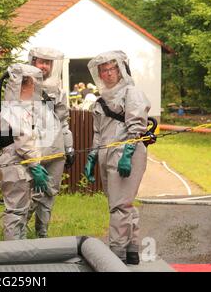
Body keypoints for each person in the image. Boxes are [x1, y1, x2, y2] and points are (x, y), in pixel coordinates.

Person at [84, 50, 150, 265]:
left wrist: (128, 154)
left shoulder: (132, 93)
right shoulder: (101, 100)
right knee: (123, 204)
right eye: (104, 70)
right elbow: (98, 132)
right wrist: (93, 155)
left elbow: (137, 126)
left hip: (126, 153)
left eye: (112, 68)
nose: (108, 73)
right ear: (99, 74)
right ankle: (131, 250)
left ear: (121, 70)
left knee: (119, 206)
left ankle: (116, 257)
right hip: (107, 153)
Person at [0, 63, 61, 240]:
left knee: (21, 213)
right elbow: (24, 141)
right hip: (15, 167)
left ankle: (20, 253)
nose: (35, 88)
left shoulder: (18, 108)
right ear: (23, 85)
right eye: (32, 83)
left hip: (19, 166)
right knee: (16, 213)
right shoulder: (15, 110)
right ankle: (12, 258)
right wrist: (35, 165)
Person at [27, 47, 72, 238]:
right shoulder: (22, 87)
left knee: (49, 193)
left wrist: (69, 146)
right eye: (41, 62)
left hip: (55, 150)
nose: (44, 66)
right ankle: (16, 234)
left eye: (48, 62)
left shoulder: (58, 91)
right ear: (33, 62)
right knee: (31, 195)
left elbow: (63, 121)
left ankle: (42, 234)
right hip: (32, 152)